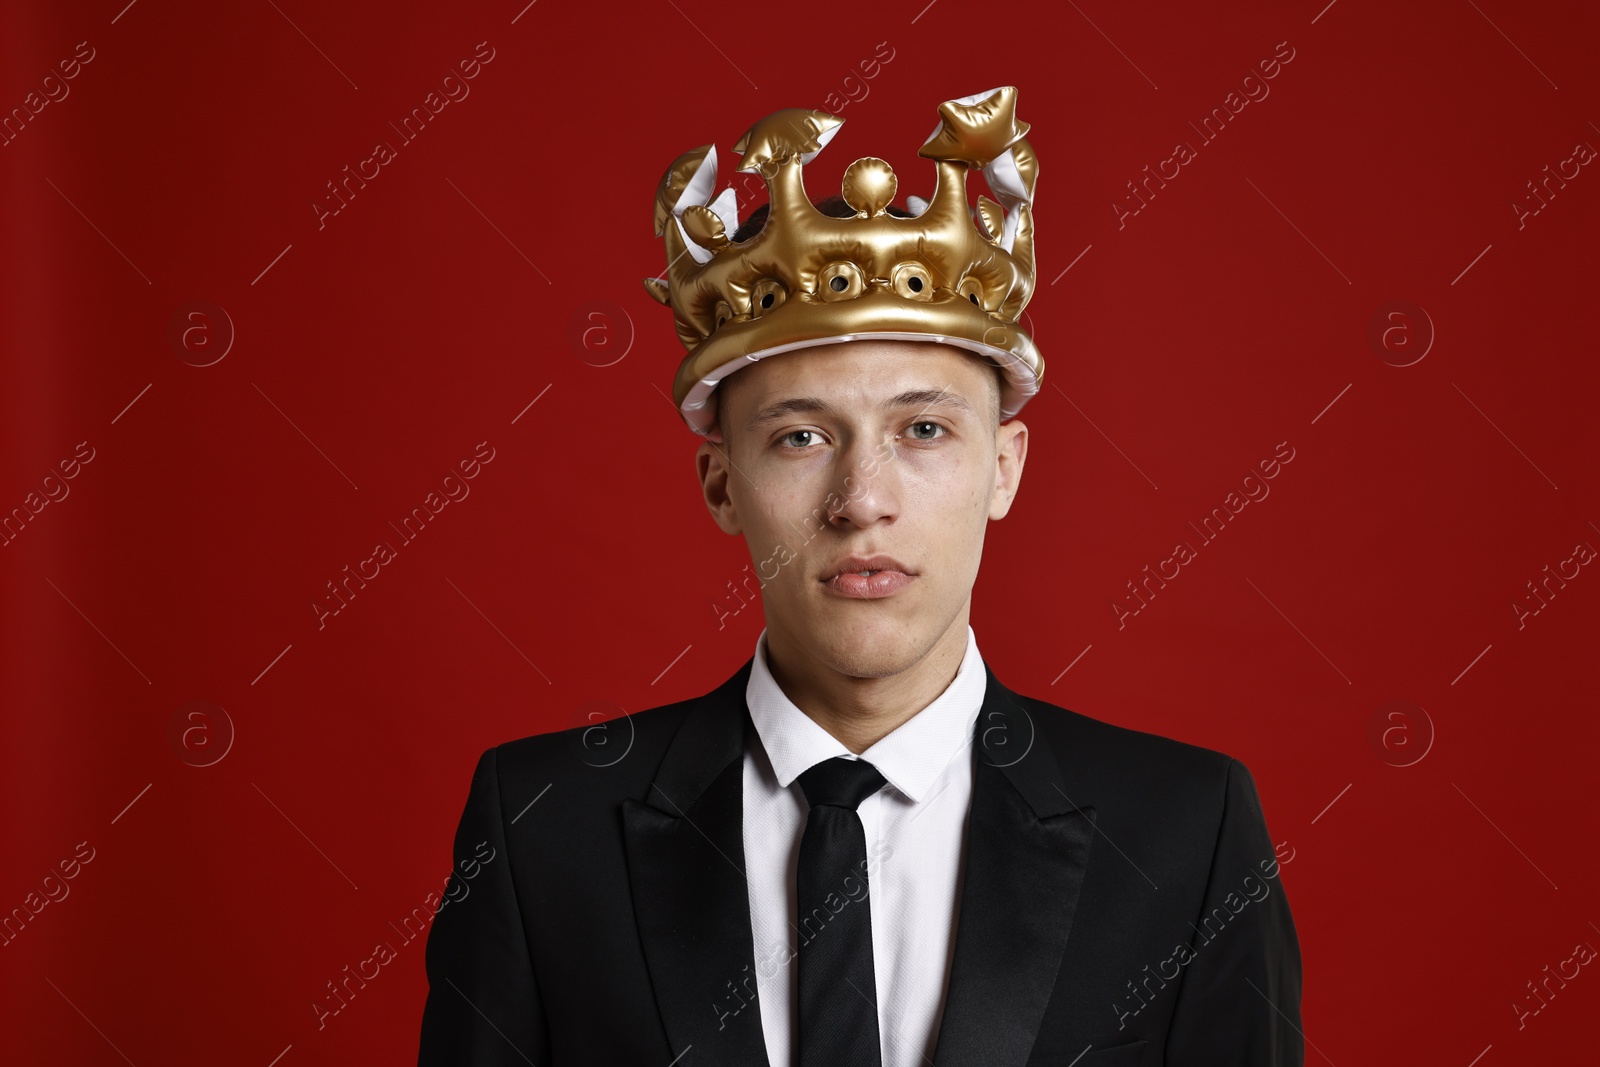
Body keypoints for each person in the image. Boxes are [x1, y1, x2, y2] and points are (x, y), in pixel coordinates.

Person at [417, 86, 1303, 1066]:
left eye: (923, 429)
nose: (860, 499)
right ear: (720, 482)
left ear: (1001, 467)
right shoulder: (544, 826)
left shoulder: (1185, 831)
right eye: (800, 435)